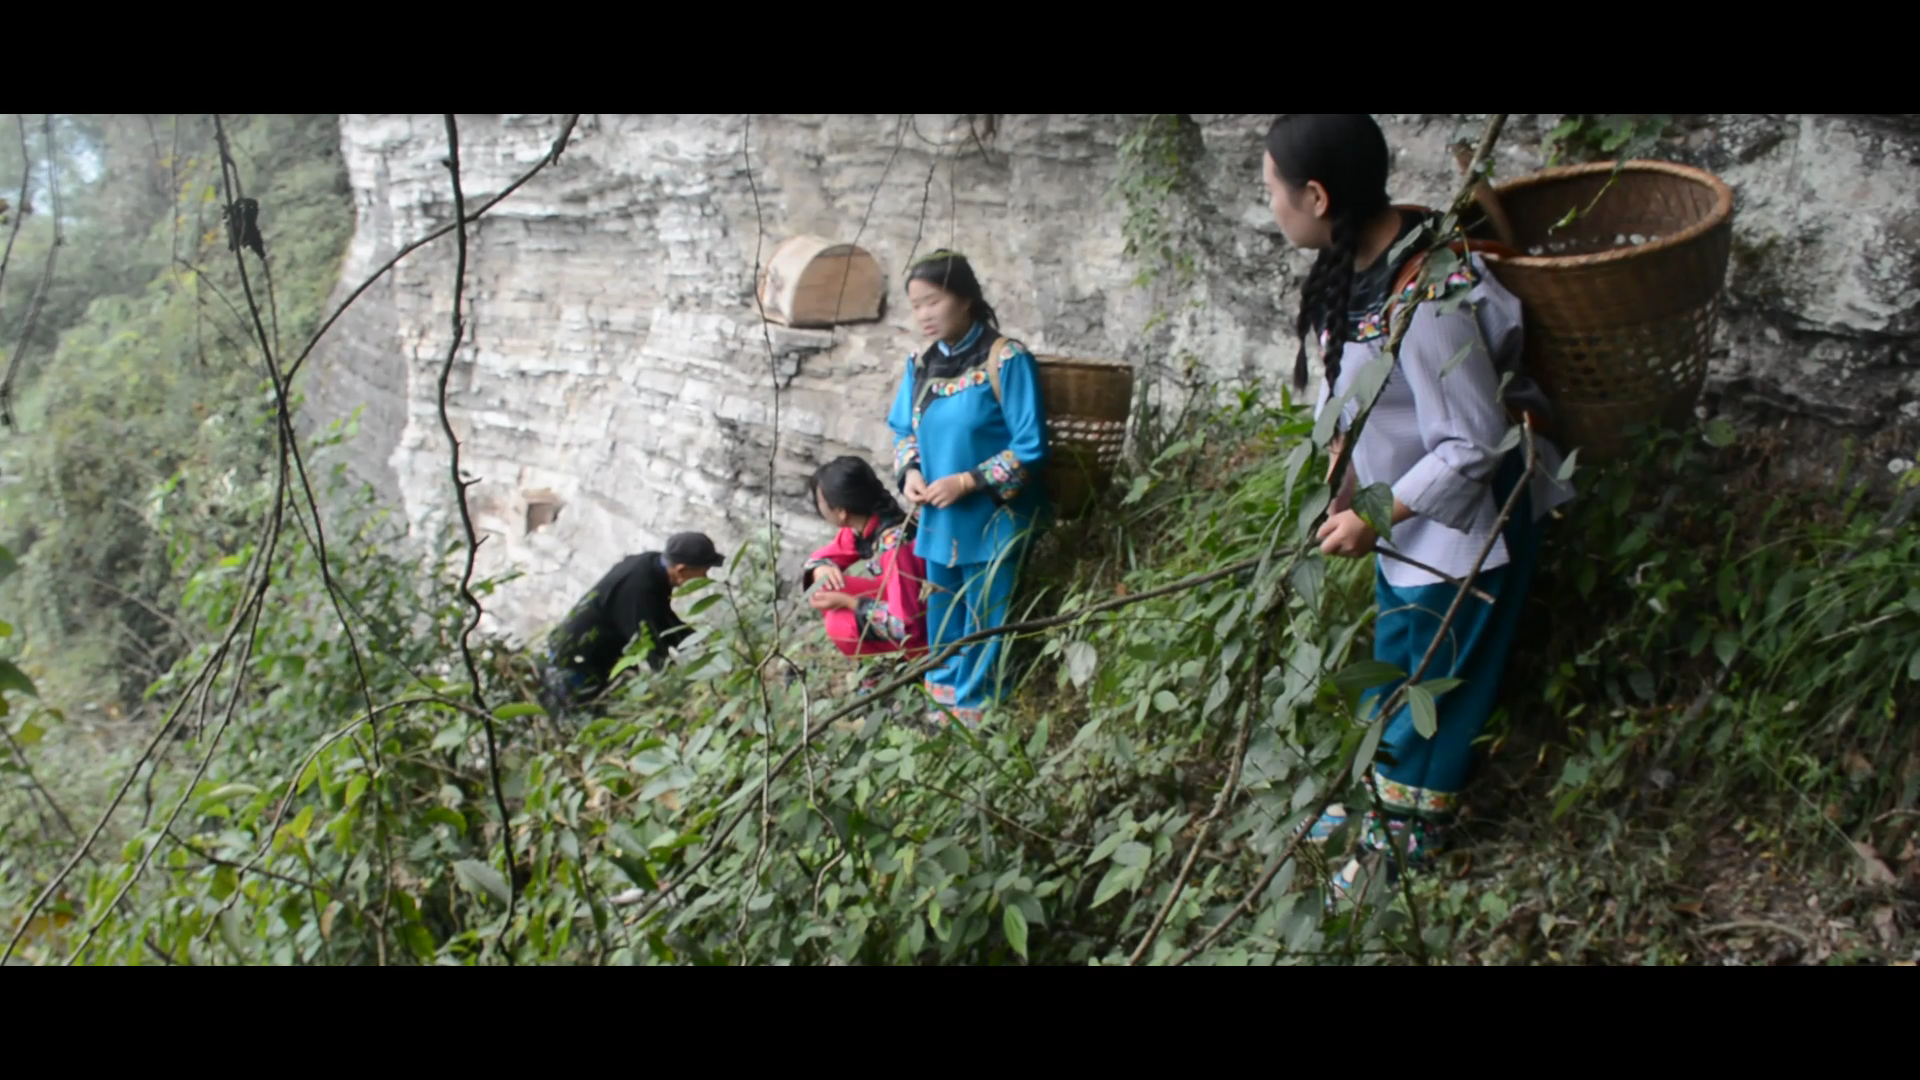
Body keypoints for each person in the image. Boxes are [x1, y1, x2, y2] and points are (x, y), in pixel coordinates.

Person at [1260, 114, 1575, 900]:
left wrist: (1374, 512)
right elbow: (1360, 396)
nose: (1271, 206)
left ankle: (1401, 842)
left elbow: (1472, 444)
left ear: (1318, 195)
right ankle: (1374, 795)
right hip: (1403, 518)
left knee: (1441, 683)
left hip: (1467, 528)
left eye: (1273, 190)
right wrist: (1345, 481)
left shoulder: (1430, 294)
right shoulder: (1361, 264)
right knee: (1398, 661)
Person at [886, 250, 1049, 729]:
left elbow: (1031, 447)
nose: (924, 316)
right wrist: (910, 473)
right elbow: (902, 431)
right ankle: (942, 706)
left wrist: (967, 481)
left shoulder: (1008, 359)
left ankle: (980, 714)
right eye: (915, 306)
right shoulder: (919, 364)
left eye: (933, 302)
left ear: (966, 298)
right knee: (943, 611)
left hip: (992, 519)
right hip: (939, 517)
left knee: (985, 616)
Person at [538, 532, 726, 718]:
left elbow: (663, 619)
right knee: (582, 718)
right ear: (681, 570)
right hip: (577, 663)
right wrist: (680, 690)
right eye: (704, 571)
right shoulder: (638, 591)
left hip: (593, 654)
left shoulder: (650, 566)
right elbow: (651, 647)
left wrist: (704, 644)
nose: (705, 577)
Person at [801, 456, 930, 690]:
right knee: (822, 587)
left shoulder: (895, 545)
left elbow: (906, 625)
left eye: (821, 503)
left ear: (841, 512)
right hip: (908, 607)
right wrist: (821, 568)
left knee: (838, 624)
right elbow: (824, 558)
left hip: (927, 632)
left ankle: (898, 669)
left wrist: (850, 603)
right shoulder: (864, 527)